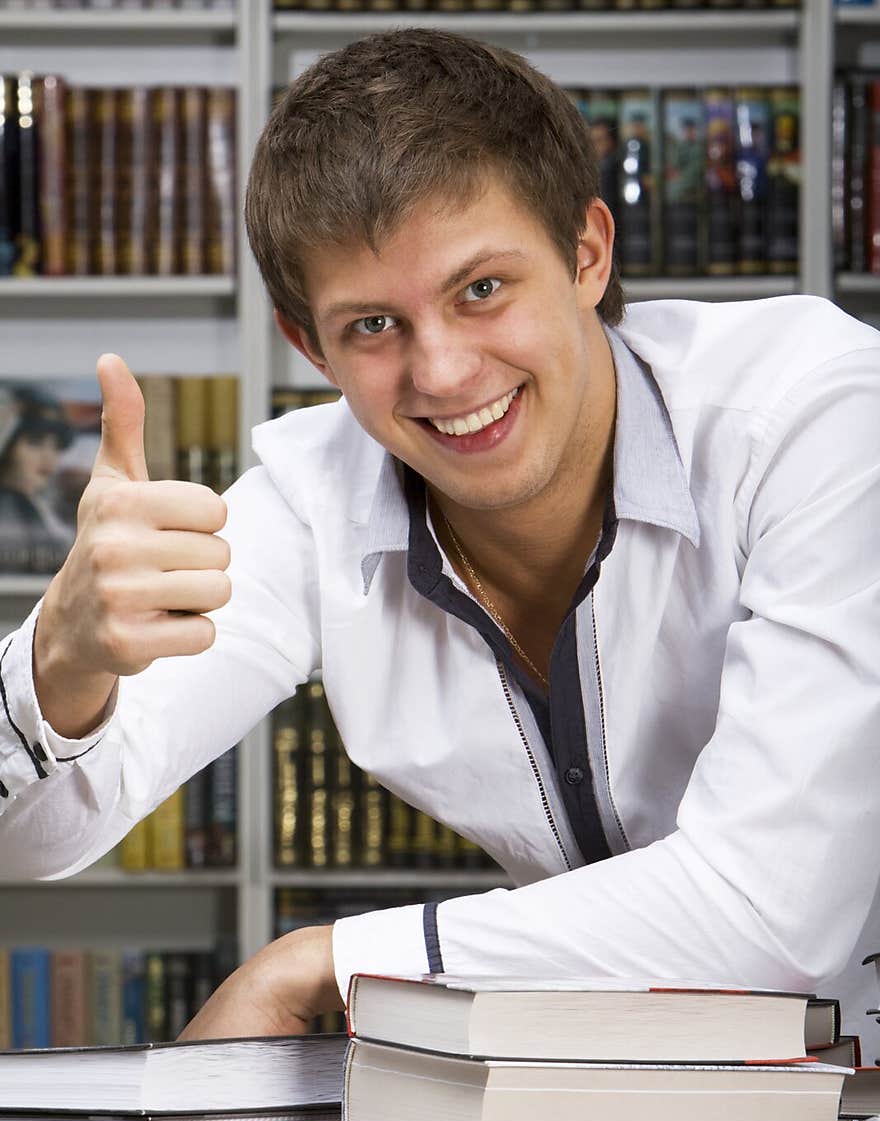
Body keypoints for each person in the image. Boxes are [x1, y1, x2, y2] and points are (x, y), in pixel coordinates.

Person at [0, 30, 878, 1056]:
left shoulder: (816, 416)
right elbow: (36, 843)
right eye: (373, 325)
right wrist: (58, 659)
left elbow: (769, 913)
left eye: (481, 289)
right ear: (306, 344)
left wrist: (322, 964)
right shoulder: (309, 500)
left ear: (585, 254)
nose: (445, 373)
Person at [0, 386, 76, 576]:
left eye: (56, 446)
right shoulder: (10, 509)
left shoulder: (50, 508)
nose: (48, 458)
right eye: (34, 443)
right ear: (7, 447)